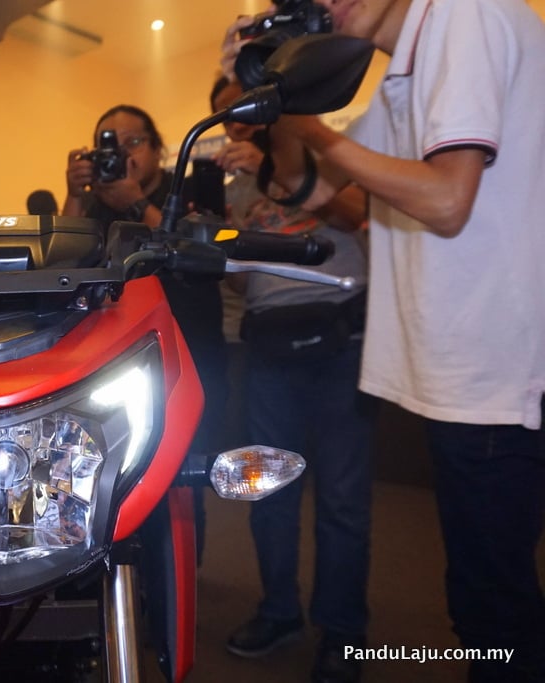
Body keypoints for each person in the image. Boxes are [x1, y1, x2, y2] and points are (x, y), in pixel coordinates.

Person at [222, 2, 545, 681]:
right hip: (466, 368)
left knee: (494, 609)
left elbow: (447, 201)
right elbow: (310, 188)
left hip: (494, 367)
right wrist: (282, 99)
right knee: (488, 598)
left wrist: (316, 129)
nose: (328, 4)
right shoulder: (409, 66)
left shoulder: (464, 13)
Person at [210, 75, 376, 683]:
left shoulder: (330, 152)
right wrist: (219, 244)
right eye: (226, 114)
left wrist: (271, 171)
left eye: (246, 106)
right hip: (268, 344)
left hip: (342, 337)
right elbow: (237, 280)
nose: (238, 120)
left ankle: (344, 632)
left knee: (342, 498)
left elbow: (356, 215)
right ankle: (279, 611)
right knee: (269, 491)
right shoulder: (232, 184)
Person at [62, 104, 228, 461]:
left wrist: (136, 203)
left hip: (191, 343)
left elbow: (200, 254)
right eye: (109, 145)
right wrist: (74, 195)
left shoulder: (187, 188)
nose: (122, 154)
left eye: (133, 142)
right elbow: (65, 263)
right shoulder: (94, 203)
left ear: (157, 148)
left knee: (192, 457)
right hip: (115, 354)